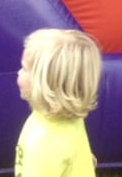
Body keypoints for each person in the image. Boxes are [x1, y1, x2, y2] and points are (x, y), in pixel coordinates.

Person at [15, 28, 103, 177]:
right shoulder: (69, 118)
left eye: (24, 69)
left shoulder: (43, 143)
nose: (19, 72)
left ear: (46, 83)